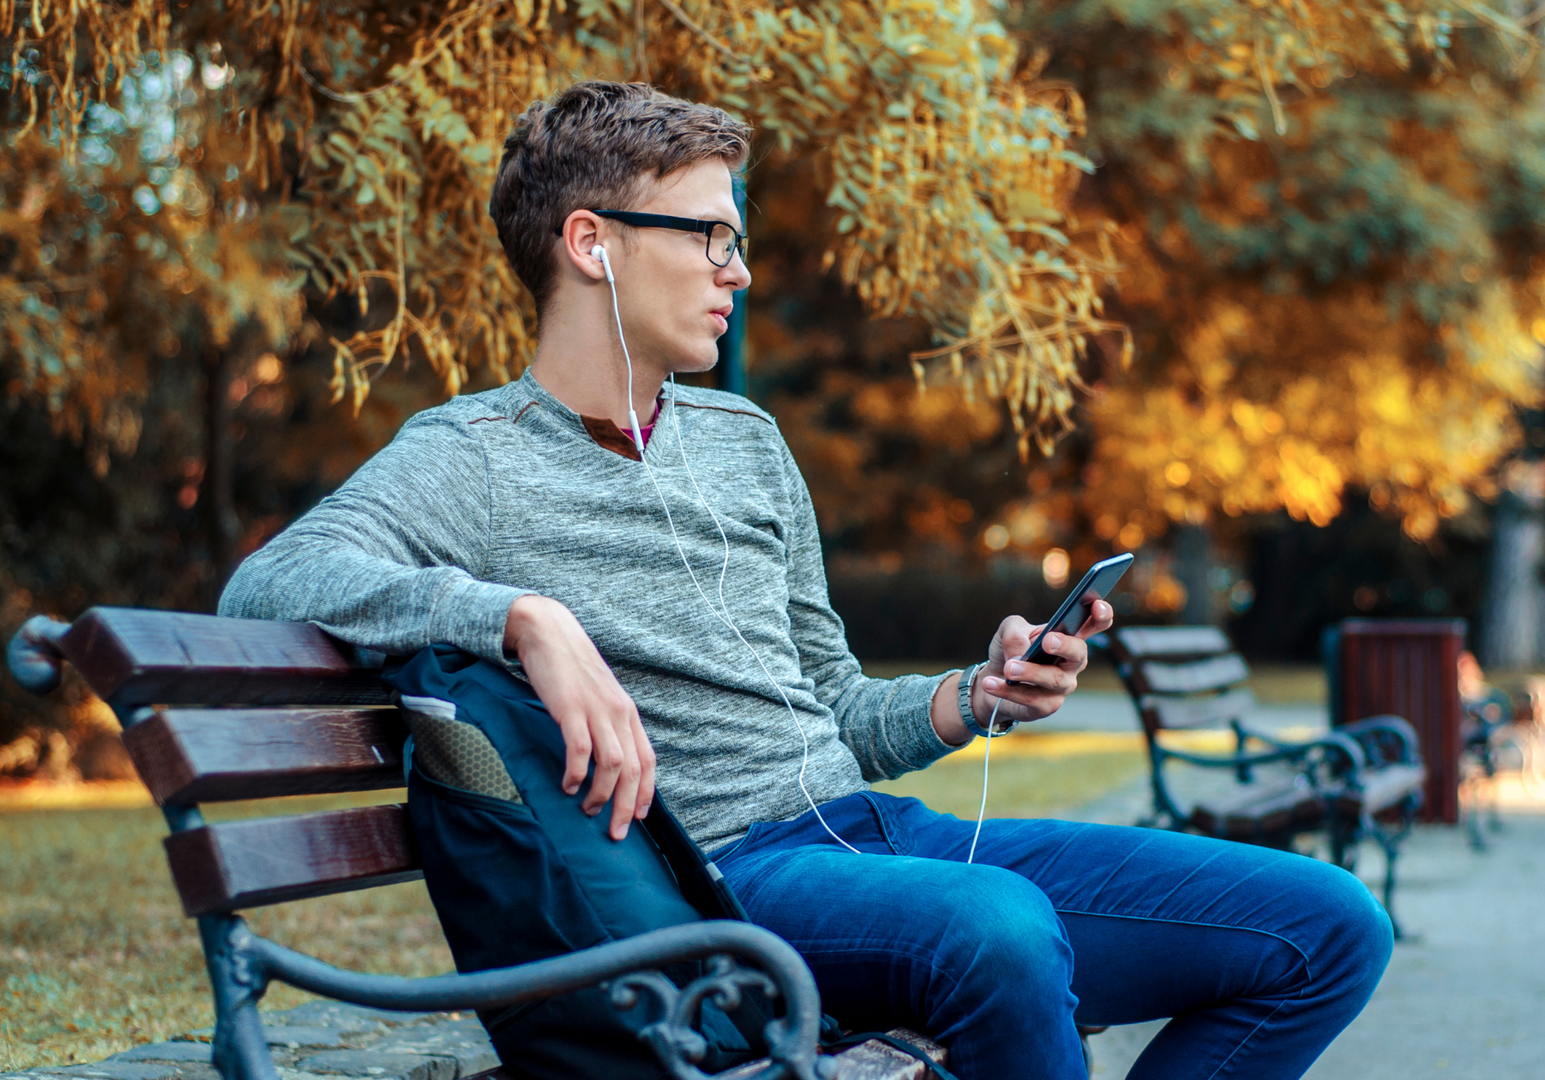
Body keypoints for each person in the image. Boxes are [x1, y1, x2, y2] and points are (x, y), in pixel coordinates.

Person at [219, 79, 1393, 1080]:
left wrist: (970, 696)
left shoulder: (746, 441)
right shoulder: (469, 455)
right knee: (997, 929)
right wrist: (521, 617)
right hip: (724, 884)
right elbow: (266, 588)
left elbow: (827, 696)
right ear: (591, 243)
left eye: (736, 239)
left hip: (885, 839)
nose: (734, 270)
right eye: (706, 236)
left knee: (1328, 926)